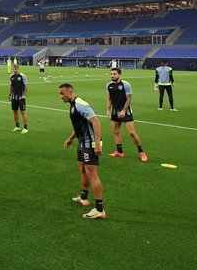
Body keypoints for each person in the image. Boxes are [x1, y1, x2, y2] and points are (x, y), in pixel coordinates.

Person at [59, 83, 106, 220]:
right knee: (83, 170)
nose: (60, 96)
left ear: (70, 92)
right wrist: (70, 138)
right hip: (82, 142)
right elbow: (80, 125)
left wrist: (97, 144)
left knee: (92, 174)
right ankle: (84, 197)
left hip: (89, 143)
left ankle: (99, 209)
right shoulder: (73, 105)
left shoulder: (80, 104)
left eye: (62, 93)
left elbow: (96, 122)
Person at [106, 68, 147, 162]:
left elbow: (129, 99)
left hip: (126, 111)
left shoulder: (125, 85)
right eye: (111, 74)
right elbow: (109, 98)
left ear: (119, 75)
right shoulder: (109, 85)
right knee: (115, 131)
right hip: (115, 111)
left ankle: (141, 151)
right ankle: (119, 151)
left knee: (132, 133)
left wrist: (124, 110)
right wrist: (108, 110)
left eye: (114, 74)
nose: (112, 75)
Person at [9, 64, 29, 134]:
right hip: (14, 97)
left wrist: (24, 95)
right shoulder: (11, 76)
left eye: (15, 69)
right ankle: (17, 126)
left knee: (22, 112)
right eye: (13, 69)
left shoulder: (23, 76)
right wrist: (10, 94)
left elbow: (26, 86)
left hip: (21, 97)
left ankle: (25, 128)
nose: (14, 70)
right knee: (15, 111)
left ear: (18, 69)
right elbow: (11, 86)